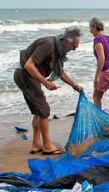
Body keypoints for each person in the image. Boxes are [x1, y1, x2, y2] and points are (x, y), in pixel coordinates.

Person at [14, 27, 84, 155]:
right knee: (44, 111)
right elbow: (29, 65)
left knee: (38, 111)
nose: (75, 48)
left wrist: (75, 86)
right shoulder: (48, 44)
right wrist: (45, 82)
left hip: (26, 76)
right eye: (74, 45)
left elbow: (61, 73)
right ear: (67, 40)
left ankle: (36, 144)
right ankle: (47, 146)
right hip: (25, 75)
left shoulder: (59, 50)